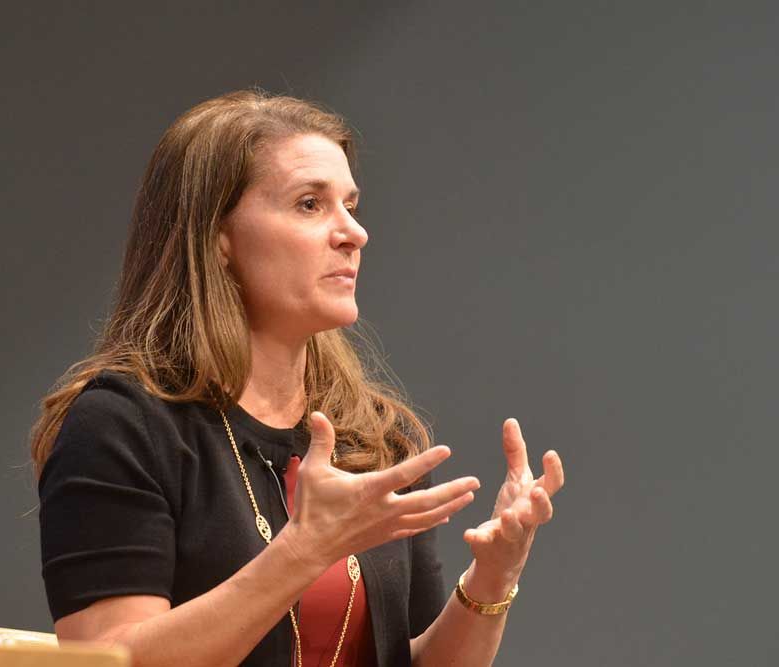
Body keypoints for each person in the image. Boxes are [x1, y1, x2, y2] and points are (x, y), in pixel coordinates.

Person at [30, 89, 564, 667]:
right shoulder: (122, 426)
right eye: (310, 204)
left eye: (351, 205)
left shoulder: (375, 437)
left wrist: (492, 580)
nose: (353, 233)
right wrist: (304, 551)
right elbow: (111, 659)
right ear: (219, 238)